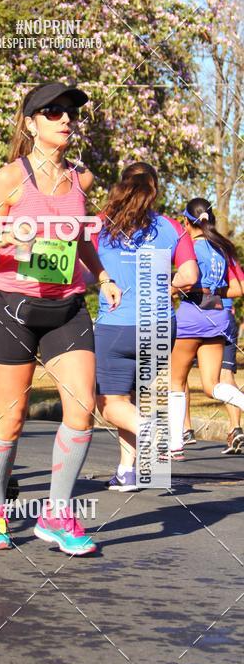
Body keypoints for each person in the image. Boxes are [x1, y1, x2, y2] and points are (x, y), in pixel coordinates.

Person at [0, 81, 121, 553]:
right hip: (12, 306)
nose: (65, 119)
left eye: (70, 112)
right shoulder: (11, 179)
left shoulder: (82, 178)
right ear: (31, 124)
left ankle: (57, 514)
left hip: (67, 306)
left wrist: (102, 276)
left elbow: (82, 237)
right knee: (10, 419)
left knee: (82, 410)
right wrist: (6, 240)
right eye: (52, 112)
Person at [92, 163, 198, 490]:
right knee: (135, 400)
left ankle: (154, 433)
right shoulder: (171, 227)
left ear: (122, 185)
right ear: (154, 189)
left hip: (117, 325)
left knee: (109, 404)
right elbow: (190, 276)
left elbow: (81, 269)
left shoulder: (101, 224)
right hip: (161, 326)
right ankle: (127, 471)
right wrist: (164, 288)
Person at [170, 198, 244, 459]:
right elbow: (230, 286)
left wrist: (168, 287)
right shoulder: (221, 248)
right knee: (212, 385)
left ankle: (175, 444)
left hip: (191, 318)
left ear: (188, 223)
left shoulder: (190, 246)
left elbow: (188, 281)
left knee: (176, 381)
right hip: (218, 318)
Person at [183, 306, 244, 454]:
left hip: (195, 319)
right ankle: (235, 428)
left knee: (178, 377)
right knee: (225, 375)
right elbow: (237, 289)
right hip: (223, 318)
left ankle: (185, 430)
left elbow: (183, 284)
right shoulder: (227, 281)